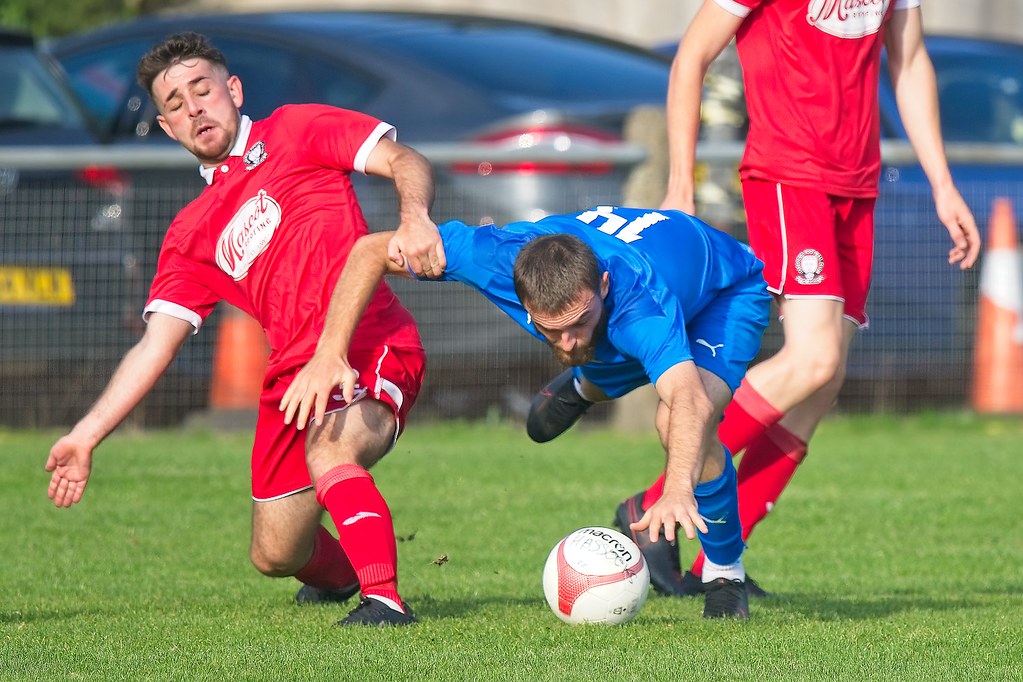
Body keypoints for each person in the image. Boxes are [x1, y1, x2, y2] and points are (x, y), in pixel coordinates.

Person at [44, 32, 445, 627]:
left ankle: (384, 601)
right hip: (292, 376)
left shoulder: (297, 129)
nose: (194, 108)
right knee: (276, 552)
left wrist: (414, 219)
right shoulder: (190, 233)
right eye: (176, 104)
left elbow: (404, 158)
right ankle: (340, 577)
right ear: (167, 126)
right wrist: (86, 435)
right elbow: (155, 344)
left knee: (332, 449)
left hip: (372, 343)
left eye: (202, 90)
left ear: (232, 90)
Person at [606, 0, 982, 596]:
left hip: (857, 185)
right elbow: (691, 57)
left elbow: (909, 63)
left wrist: (943, 183)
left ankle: (714, 559)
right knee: (814, 359)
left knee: (822, 384)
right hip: (789, 176)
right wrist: (681, 184)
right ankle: (652, 507)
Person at [280, 205, 773, 619]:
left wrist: (678, 488)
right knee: (598, 353)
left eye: (576, 323)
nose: (566, 338)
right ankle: (588, 383)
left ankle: (725, 575)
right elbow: (369, 251)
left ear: (602, 284)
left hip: (725, 293)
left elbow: (687, 397)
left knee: (681, 420)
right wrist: (330, 354)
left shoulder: (638, 303)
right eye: (551, 330)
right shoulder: (488, 257)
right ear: (522, 300)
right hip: (622, 322)